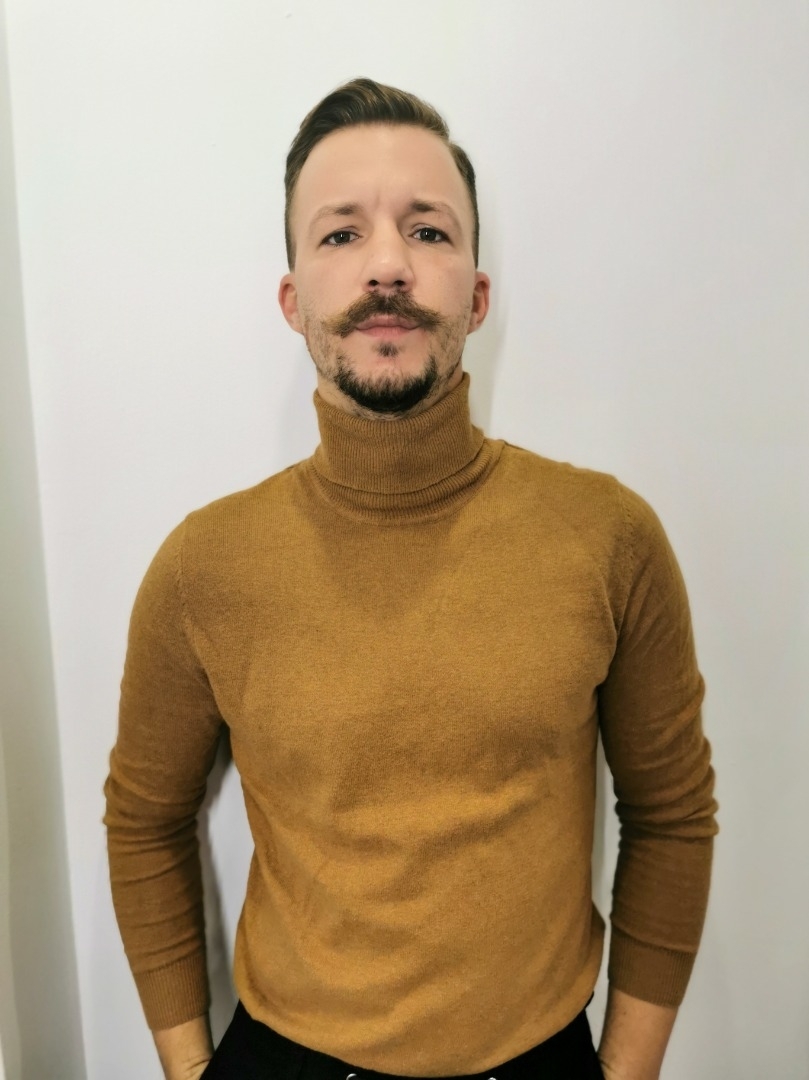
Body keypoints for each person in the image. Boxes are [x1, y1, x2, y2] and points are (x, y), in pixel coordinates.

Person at [104, 77, 717, 1080]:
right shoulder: (202, 568)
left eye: (427, 231)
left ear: (476, 296)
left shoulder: (607, 539)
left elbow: (671, 816)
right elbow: (144, 823)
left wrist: (628, 1072)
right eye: (340, 234)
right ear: (293, 298)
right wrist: (186, 1069)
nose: (386, 264)